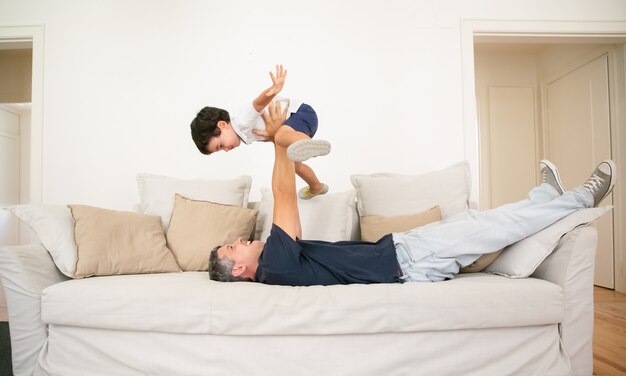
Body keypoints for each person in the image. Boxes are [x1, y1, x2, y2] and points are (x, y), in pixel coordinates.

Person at [208, 103, 616, 285]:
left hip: (404, 248)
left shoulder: (277, 260)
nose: (240, 241)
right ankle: (579, 199)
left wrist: (282, 141)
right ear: (241, 270)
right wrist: (280, 139)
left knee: (484, 224)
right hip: (410, 261)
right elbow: (283, 195)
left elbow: (283, 192)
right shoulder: (275, 266)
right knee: (492, 226)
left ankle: (546, 199)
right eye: (233, 248)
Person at [190, 65, 331, 199]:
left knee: (281, 136)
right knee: (294, 165)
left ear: (222, 125)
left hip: (300, 114)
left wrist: (273, 90)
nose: (226, 149)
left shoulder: (242, 121)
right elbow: (272, 136)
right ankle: (316, 186)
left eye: (220, 145)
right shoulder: (245, 136)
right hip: (297, 127)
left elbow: (257, 104)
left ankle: (310, 145)